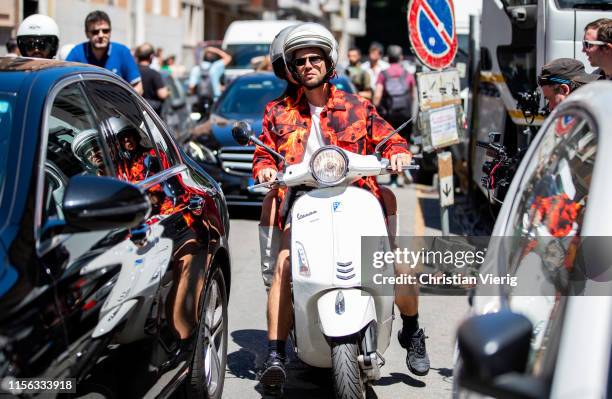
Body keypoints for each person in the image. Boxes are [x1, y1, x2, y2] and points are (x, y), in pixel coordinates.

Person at [255, 23, 429, 390]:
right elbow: (263, 153)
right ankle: (275, 353)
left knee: (397, 262)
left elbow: (388, 139)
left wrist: (397, 154)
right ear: (291, 68)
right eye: (299, 60)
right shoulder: (277, 112)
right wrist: (267, 167)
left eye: (314, 58)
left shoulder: (357, 106)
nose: (307, 65)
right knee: (285, 265)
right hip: (303, 202)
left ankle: (411, 329)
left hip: (357, 197)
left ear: (328, 62)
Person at [66, 10, 142, 94]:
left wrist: (122, 103)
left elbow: (138, 87)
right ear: (87, 34)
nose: (101, 35)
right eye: (95, 32)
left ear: (110, 32)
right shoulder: (76, 53)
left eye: (105, 31)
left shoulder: (122, 52)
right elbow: (65, 84)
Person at [374, 45, 416, 187]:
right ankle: (404, 170)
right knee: (404, 144)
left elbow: (378, 94)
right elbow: (413, 95)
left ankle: (392, 179)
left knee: (390, 144)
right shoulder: (408, 74)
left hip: (389, 114)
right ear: (401, 58)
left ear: (388, 58)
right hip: (404, 114)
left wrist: (375, 109)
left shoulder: (383, 73)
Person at [188, 46, 232, 116]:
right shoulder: (216, 66)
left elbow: (191, 86)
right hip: (215, 99)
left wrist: (193, 94)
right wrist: (215, 50)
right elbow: (228, 58)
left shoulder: (196, 68)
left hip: (200, 100)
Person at [135, 43, 169, 116]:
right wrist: (167, 92)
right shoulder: (154, 74)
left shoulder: (131, 72)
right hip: (151, 115)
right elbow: (162, 94)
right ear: (151, 56)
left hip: (133, 113)